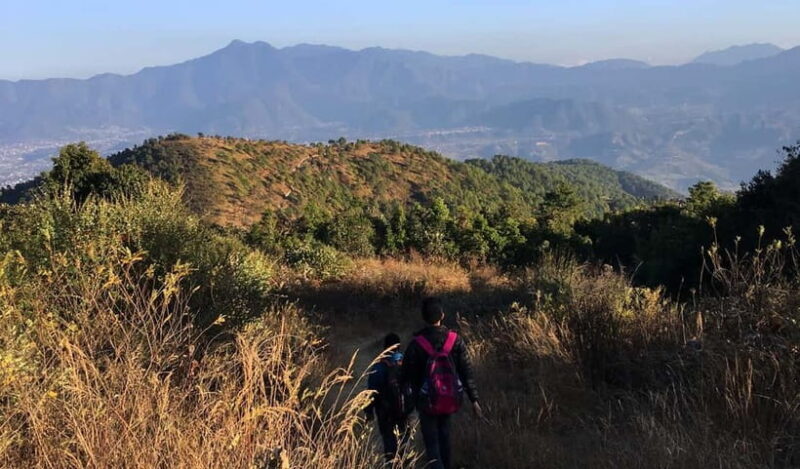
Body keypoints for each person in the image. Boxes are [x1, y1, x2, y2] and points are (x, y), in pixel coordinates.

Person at [401, 297, 482, 469]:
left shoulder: (416, 344)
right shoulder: (455, 340)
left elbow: (407, 377)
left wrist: (408, 407)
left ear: (423, 317)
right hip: (450, 398)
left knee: (432, 445)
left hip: (425, 401)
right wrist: (474, 399)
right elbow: (466, 371)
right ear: (442, 315)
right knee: (445, 439)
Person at [365, 333, 409, 462]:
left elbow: (371, 391)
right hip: (403, 408)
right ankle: (404, 462)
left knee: (389, 439)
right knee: (403, 438)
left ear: (385, 348)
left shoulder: (379, 366)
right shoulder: (405, 363)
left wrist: (369, 411)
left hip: (384, 410)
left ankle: (391, 463)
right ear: (399, 347)